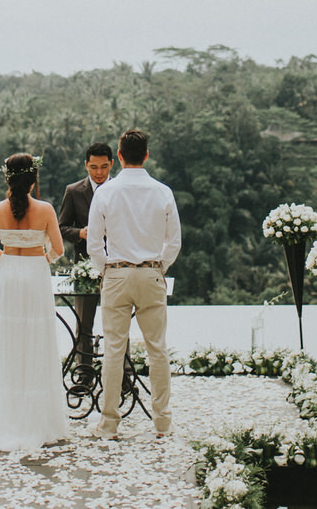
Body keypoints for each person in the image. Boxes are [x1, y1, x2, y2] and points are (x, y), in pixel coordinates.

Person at [86, 129, 181, 439]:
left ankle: (110, 423)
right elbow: (174, 242)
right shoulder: (163, 191)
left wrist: (107, 271)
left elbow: (94, 246)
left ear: (120, 155)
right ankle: (162, 422)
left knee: (113, 350)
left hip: (116, 273)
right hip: (152, 273)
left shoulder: (106, 192)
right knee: (157, 349)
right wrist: (158, 267)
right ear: (147, 155)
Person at [0, 152, 69, 450]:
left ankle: (8, 418)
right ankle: (38, 420)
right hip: (35, 275)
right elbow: (58, 249)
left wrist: (6, 258)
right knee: (36, 339)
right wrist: (39, 259)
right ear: (33, 179)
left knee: (10, 339)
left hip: (7, 275)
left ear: (7, 178)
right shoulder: (45, 210)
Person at [57, 142, 113, 365]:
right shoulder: (73, 191)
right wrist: (81, 233)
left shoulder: (120, 189)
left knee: (118, 323)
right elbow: (61, 228)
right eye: (93, 167)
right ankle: (83, 371)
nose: (99, 173)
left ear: (111, 164)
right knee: (83, 323)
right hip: (84, 267)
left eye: (104, 167)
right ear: (85, 165)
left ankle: (123, 373)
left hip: (116, 266)